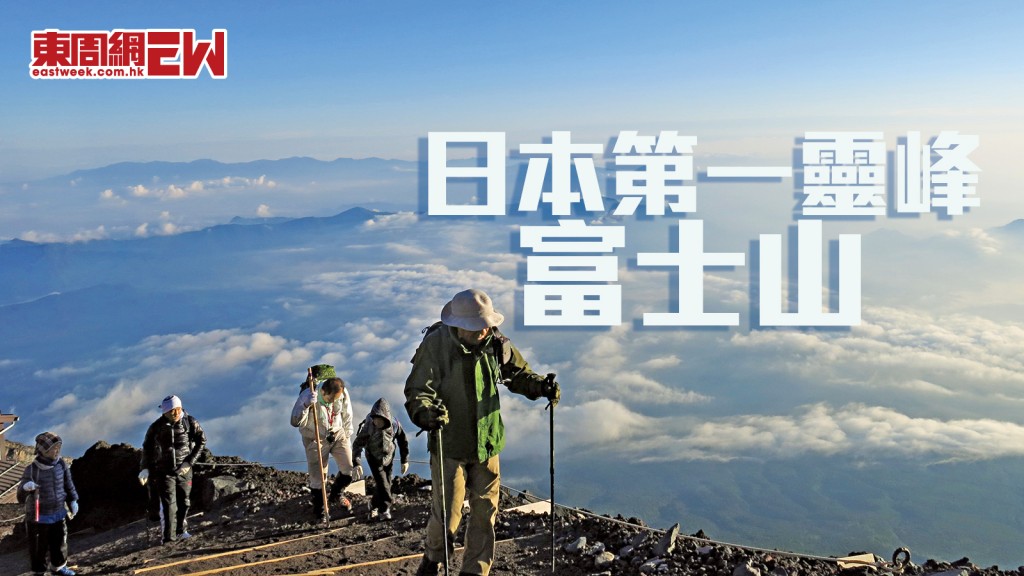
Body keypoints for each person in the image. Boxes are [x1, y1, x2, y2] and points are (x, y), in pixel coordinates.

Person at [405, 288, 560, 576]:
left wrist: (540, 386)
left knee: (485, 514)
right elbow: (417, 391)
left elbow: (518, 374)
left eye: (486, 323)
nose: (485, 329)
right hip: (449, 443)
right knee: (448, 514)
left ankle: (474, 571)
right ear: (459, 326)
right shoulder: (437, 346)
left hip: (488, 443)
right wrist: (426, 414)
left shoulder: (496, 342)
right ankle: (434, 558)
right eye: (478, 325)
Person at [290, 367, 357, 521]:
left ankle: (336, 494)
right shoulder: (308, 395)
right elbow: (295, 422)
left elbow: (347, 413)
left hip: (337, 433)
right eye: (330, 399)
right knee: (318, 476)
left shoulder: (342, 393)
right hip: (315, 437)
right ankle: (320, 509)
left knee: (348, 468)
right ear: (324, 392)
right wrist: (306, 406)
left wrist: (347, 434)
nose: (333, 402)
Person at [139, 395, 207, 544]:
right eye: (171, 411)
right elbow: (147, 448)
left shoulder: (190, 422)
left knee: (184, 502)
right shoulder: (156, 427)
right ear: (164, 412)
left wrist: (189, 463)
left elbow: (201, 441)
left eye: (177, 409)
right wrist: (145, 469)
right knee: (169, 505)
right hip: (164, 471)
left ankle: (181, 531)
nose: (176, 413)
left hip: (184, 470)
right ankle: (169, 538)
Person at [18, 432, 79, 576]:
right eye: (54, 448)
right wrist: (26, 487)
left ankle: (58, 567)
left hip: (58, 512)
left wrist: (73, 500)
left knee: (60, 543)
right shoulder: (32, 470)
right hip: (39, 517)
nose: (57, 451)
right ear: (43, 450)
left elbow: (68, 484)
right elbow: (20, 495)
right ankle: (38, 571)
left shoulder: (62, 465)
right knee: (39, 547)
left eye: (59, 447)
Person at [351, 397, 410, 521]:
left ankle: (372, 504)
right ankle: (384, 509)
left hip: (389, 456)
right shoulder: (369, 426)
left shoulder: (394, 424)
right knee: (383, 484)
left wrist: (405, 460)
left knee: (386, 483)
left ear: (385, 419)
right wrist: (357, 463)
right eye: (375, 419)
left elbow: (402, 441)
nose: (376, 422)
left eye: (379, 420)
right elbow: (357, 444)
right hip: (373, 457)